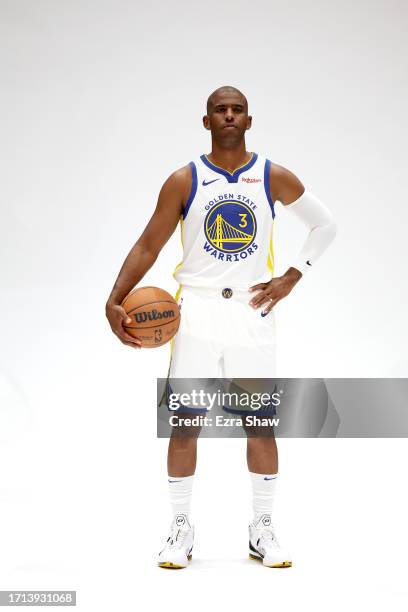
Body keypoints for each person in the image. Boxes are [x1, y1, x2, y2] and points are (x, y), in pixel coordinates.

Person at [105, 85, 337, 569]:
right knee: (186, 424)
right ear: (206, 121)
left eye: (237, 110)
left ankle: (263, 527)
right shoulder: (183, 180)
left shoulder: (270, 175)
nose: (229, 115)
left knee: (259, 424)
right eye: (220, 110)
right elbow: (148, 245)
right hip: (196, 314)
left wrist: (293, 277)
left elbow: (325, 225)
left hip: (252, 312)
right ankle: (180, 528)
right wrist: (114, 298)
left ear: (249, 121)